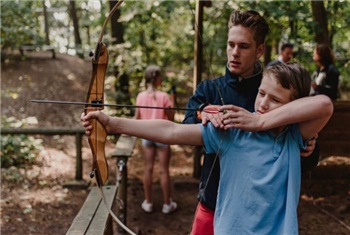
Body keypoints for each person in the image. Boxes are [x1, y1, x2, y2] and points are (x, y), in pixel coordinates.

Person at [81, 63, 333, 234]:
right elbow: (172, 131)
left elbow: (324, 105)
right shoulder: (232, 131)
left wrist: (259, 121)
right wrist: (114, 124)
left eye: (275, 99)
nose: (263, 104)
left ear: (293, 105)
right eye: (261, 93)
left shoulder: (293, 136)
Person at [182, 10, 319, 235]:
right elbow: (186, 131)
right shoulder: (208, 89)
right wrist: (202, 113)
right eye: (231, 44)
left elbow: (298, 151)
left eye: (243, 46)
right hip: (211, 202)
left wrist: (311, 148)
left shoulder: (273, 89)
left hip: (261, 215)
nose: (234, 53)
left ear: (260, 50)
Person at [134, 65, 177, 214]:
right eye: (160, 77)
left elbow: (137, 119)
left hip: (147, 135)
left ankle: (148, 202)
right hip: (162, 135)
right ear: (157, 78)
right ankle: (167, 204)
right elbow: (171, 118)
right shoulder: (164, 96)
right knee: (164, 171)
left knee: (148, 168)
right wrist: (173, 104)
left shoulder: (140, 96)